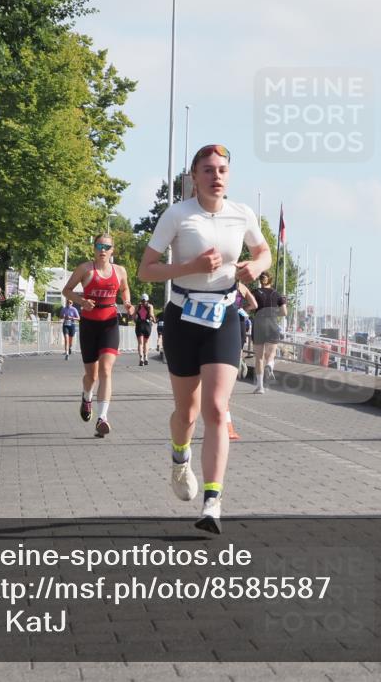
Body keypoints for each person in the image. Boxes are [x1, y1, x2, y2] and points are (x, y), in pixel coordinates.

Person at [138, 144, 271, 534]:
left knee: (216, 407)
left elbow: (263, 252)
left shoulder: (241, 214)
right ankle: (180, 458)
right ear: (193, 177)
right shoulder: (178, 215)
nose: (217, 177)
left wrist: (254, 265)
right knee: (188, 414)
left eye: (223, 170)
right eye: (209, 170)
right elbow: (146, 270)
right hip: (182, 316)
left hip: (224, 315)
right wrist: (190, 267)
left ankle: (213, 501)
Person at [62, 233, 134, 438]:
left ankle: (102, 418)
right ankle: (87, 397)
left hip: (110, 323)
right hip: (89, 325)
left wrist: (127, 303)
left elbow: (125, 289)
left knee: (106, 369)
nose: (103, 250)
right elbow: (66, 290)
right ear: (94, 248)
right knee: (91, 376)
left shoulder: (119, 270)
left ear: (113, 250)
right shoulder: (85, 269)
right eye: (99, 246)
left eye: (107, 247)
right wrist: (81, 301)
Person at [250, 272, 287, 394]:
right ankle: (270, 366)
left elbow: (251, 306)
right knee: (270, 355)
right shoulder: (277, 294)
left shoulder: (255, 292)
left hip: (259, 325)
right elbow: (284, 312)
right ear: (270, 280)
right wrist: (274, 313)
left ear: (260, 281)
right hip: (272, 324)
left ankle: (260, 387)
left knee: (259, 358)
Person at [135, 294, 156, 366]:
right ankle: (146, 358)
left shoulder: (138, 306)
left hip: (139, 324)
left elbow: (134, 316)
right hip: (147, 325)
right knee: (146, 342)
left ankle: (141, 359)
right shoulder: (150, 306)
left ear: (141, 299)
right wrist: (154, 320)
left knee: (140, 343)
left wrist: (135, 321)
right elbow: (151, 315)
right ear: (147, 299)